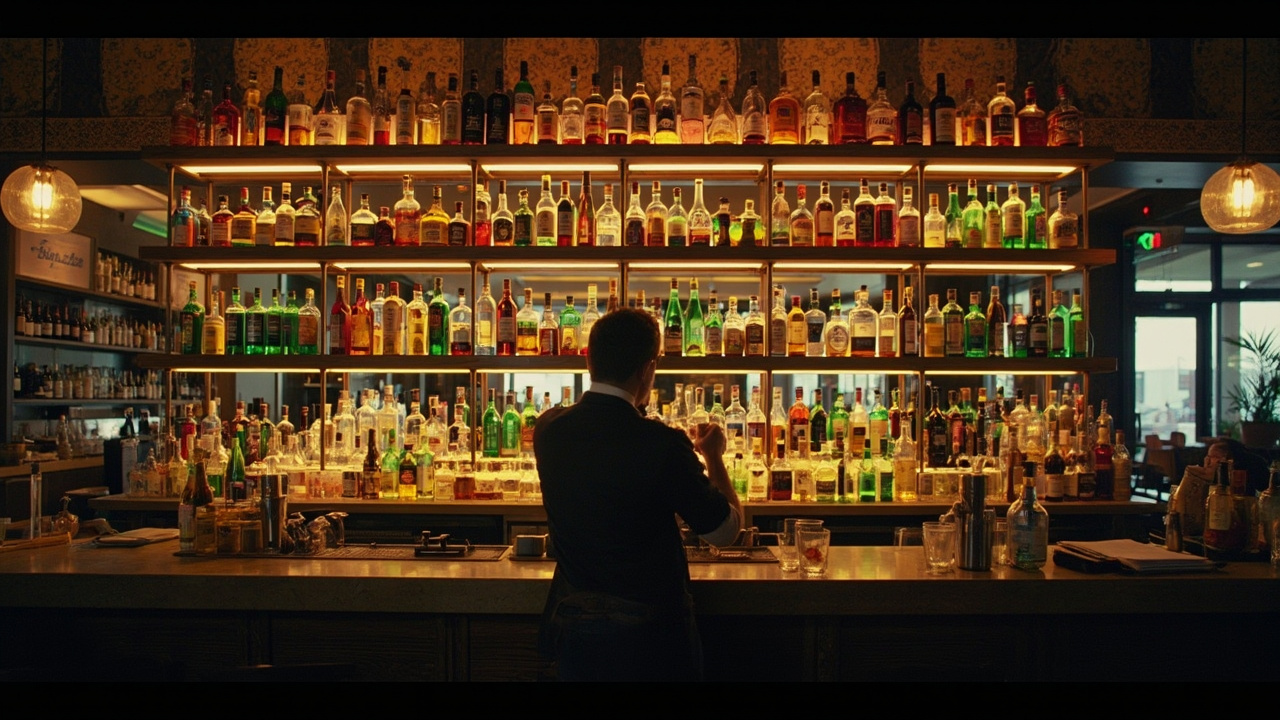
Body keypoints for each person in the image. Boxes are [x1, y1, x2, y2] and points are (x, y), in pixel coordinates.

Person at [534, 307, 742, 682]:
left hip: (576, 632)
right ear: (648, 368)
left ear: (588, 359)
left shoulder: (548, 429)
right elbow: (725, 532)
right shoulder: (662, 443)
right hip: (651, 641)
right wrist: (713, 455)